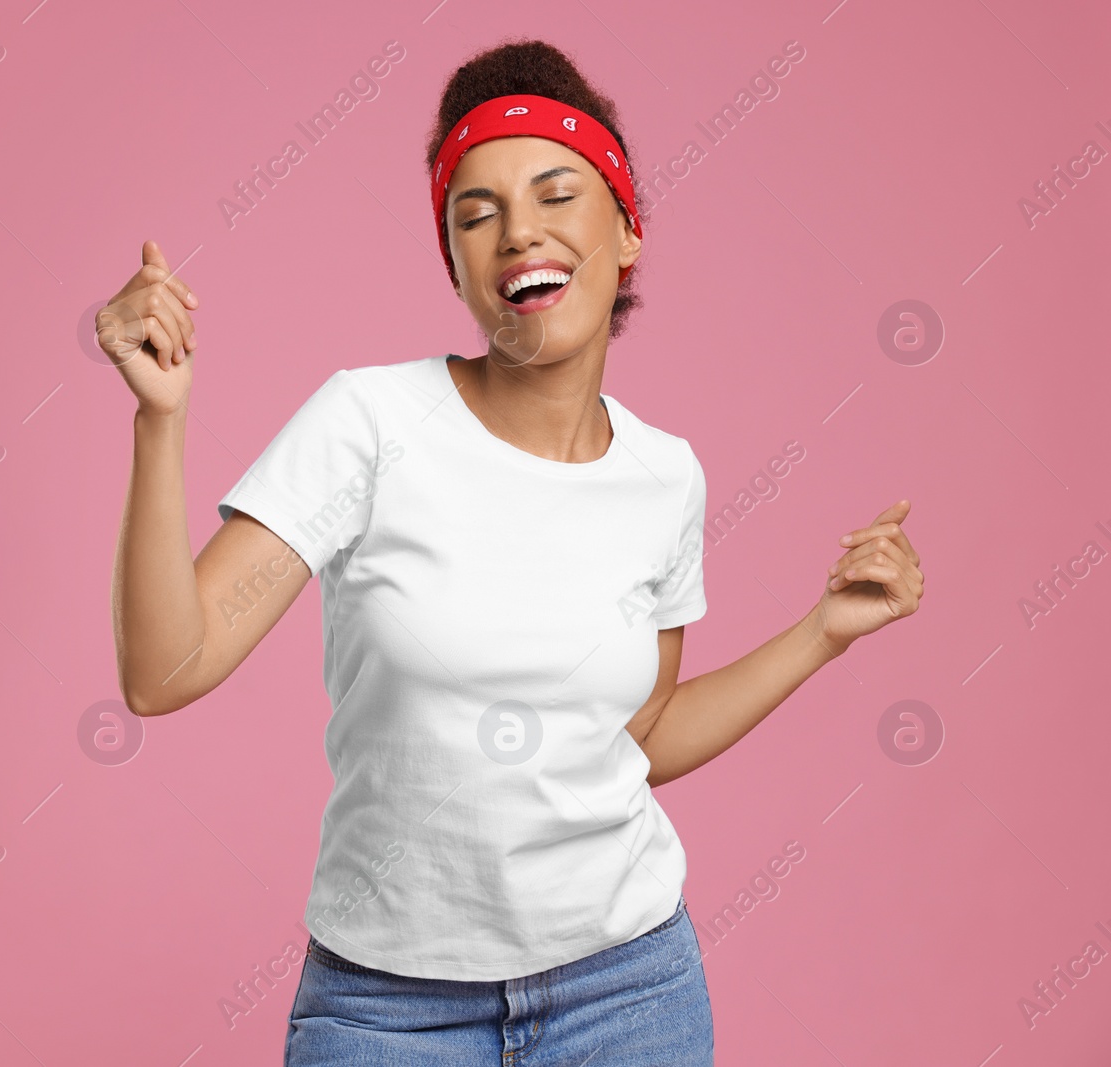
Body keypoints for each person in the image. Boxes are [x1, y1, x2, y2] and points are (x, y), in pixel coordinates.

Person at [98, 36, 924, 1067]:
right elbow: (163, 671)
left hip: (629, 990)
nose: (516, 233)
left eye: (554, 194)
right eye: (475, 214)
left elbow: (639, 735)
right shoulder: (368, 424)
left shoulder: (666, 476)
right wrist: (158, 420)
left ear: (627, 231)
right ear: (455, 265)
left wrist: (822, 634)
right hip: (386, 1010)